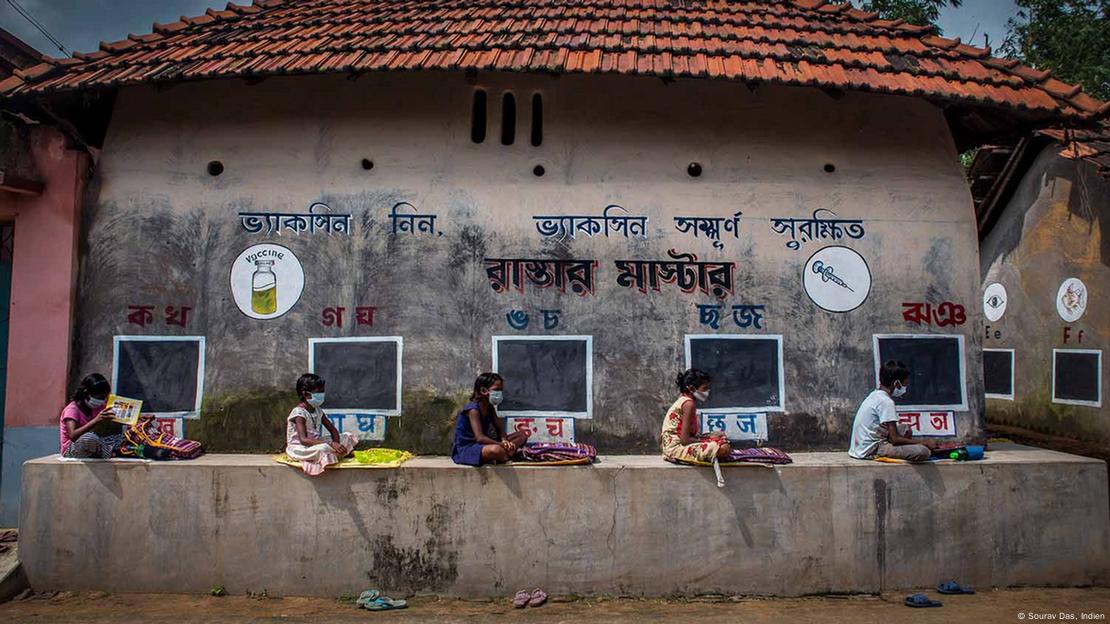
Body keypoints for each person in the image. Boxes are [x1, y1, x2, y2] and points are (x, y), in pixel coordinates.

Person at [849, 359, 934, 462]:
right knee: (923, 451)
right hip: (872, 449)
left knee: (905, 429)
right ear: (896, 383)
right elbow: (895, 439)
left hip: (860, 447)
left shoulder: (875, 395)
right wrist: (922, 442)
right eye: (904, 384)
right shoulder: (886, 402)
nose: (905, 388)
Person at [285, 373, 357, 475]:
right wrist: (331, 444)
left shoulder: (318, 411)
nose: (322, 395)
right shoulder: (299, 414)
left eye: (322, 392)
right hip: (300, 448)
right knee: (324, 448)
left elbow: (332, 429)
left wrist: (337, 443)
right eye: (319, 392)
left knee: (347, 436)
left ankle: (335, 453)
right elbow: (304, 440)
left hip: (316, 443)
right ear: (306, 394)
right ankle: (333, 455)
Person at [451, 372, 530, 466]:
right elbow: (480, 438)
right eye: (496, 390)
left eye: (501, 390)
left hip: (484, 445)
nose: (499, 393)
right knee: (496, 450)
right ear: (483, 391)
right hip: (469, 448)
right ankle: (505, 455)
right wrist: (502, 445)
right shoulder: (473, 410)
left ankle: (504, 455)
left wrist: (504, 440)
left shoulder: (489, 407)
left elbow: (499, 428)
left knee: (522, 435)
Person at [661, 369, 732, 462]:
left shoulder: (683, 400)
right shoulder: (688, 404)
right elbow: (685, 440)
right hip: (676, 448)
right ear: (691, 389)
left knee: (720, 435)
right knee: (724, 449)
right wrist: (709, 441)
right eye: (704, 388)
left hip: (672, 445)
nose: (707, 391)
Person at [59, 373, 124, 458]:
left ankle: (106, 451)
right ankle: (108, 453)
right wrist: (96, 420)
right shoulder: (72, 410)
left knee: (124, 436)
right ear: (87, 394)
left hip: (98, 443)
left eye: (105, 397)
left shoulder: (99, 407)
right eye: (100, 397)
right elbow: (72, 436)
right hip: (74, 448)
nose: (103, 400)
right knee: (90, 438)